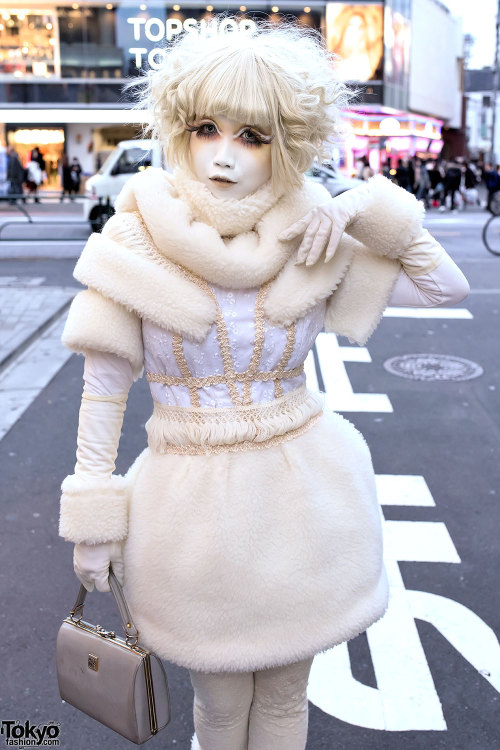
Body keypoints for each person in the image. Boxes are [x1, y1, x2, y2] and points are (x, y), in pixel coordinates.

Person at [58, 22, 469, 750]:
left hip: (303, 496)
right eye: (206, 127)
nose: (222, 154)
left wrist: (356, 203)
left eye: (253, 135)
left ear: (290, 143)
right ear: (178, 128)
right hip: (192, 510)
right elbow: (104, 390)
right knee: (217, 709)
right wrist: (94, 523)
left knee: (284, 702)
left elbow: (445, 286)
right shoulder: (134, 240)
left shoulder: (310, 235)